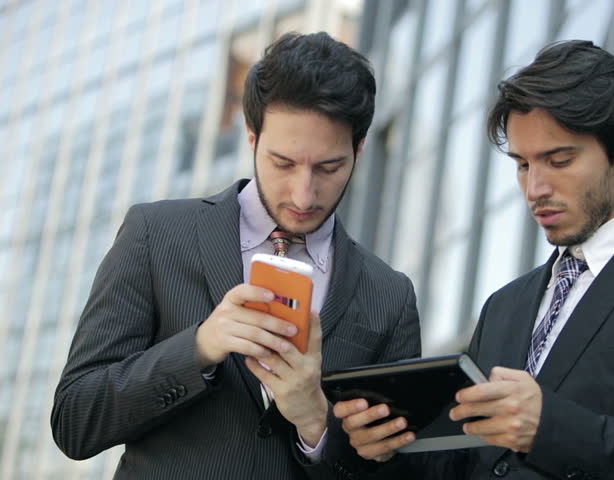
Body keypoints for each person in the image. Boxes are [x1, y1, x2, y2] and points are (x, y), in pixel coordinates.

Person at [331, 40, 614, 479]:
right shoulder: (504, 305)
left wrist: (550, 428)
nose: (535, 189)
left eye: (558, 160)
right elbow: (470, 462)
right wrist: (388, 447)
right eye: (522, 165)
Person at [51, 32, 421, 479]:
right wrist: (199, 348)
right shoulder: (157, 235)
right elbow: (75, 420)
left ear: (359, 150)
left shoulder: (389, 296)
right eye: (283, 163)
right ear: (251, 136)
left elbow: (405, 470)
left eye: (329, 167)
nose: (304, 194)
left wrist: (316, 424)